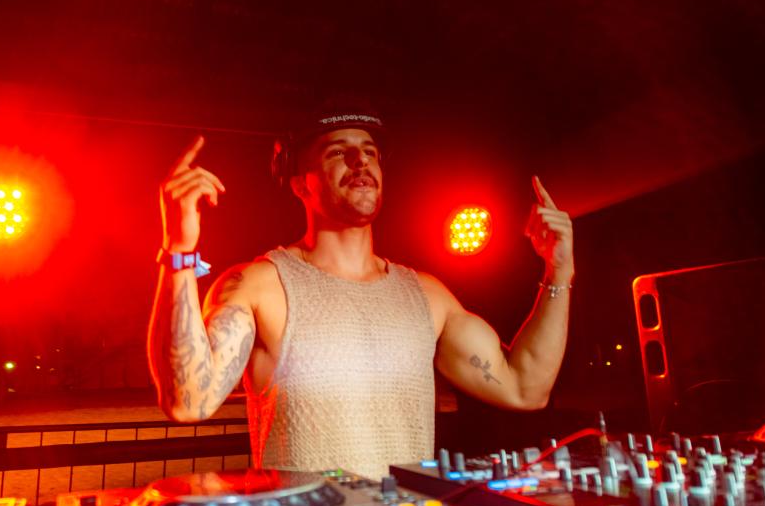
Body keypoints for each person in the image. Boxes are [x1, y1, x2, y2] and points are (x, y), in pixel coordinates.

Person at [147, 104, 573, 480]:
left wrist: (559, 271)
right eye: (337, 152)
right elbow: (188, 401)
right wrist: (179, 250)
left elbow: (526, 387)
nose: (360, 160)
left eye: (370, 151)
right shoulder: (261, 285)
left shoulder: (426, 296)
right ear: (300, 184)